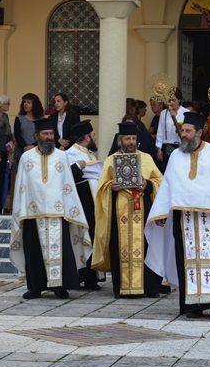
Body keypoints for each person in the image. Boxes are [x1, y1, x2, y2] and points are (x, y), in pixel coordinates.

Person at [145, 112, 210, 318]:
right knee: (186, 261)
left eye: (187, 131)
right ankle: (192, 306)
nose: (183, 134)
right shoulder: (175, 155)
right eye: (182, 130)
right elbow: (168, 185)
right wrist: (161, 212)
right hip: (183, 219)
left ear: (199, 132)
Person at [10, 119, 91, 300]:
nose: (49, 138)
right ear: (36, 136)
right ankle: (35, 288)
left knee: (62, 252)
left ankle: (60, 287)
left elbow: (68, 185)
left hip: (58, 212)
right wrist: (19, 210)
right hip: (33, 213)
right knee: (34, 254)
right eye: (45, 134)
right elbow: (21, 186)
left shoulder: (61, 157)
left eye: (51, 134)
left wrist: (72, 210)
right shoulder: (26, 158)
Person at [92, 122, 164, 298]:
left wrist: (148, 185)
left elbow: (160, 182)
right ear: (120, 140)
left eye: (133, 138)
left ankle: (148, 287)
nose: (131, 142)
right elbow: (101, 188)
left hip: (143, 210)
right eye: (127, 138)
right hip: (119, 212)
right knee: (119, 247)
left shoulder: (146, 158)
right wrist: (111, 187)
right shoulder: (110, 160)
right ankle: (123, 287)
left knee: (146, 245)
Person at [66, 120, 103, 290]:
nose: (94, 137)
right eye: (92, 134)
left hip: (93, 203)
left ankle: (91, 277)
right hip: (81, 203)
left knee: (94, 237)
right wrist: (78, 167)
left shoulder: (89, 154)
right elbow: (68, 177)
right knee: (82, 237)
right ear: (87, 137)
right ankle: (81, 276)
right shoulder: (71, 154)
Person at [155, 87, 189, 170]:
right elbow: (160, 132)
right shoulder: (164, 113)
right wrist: (159, 148)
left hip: (181, 145)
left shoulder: (186, 112)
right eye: (169, 100)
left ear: (179, 100)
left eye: (173, 100)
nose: (171, 103)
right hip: (167, 146)